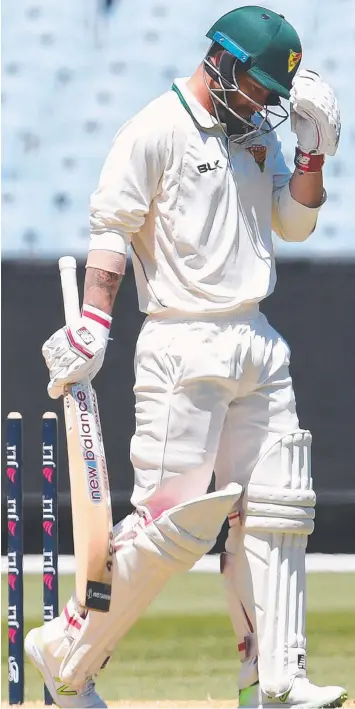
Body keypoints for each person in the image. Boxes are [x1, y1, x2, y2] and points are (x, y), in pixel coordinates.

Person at [25, 6, 345, 708]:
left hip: (256, 337)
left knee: (277, 505)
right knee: (171, 529)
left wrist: (314, 155)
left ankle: (276, 679)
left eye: (272, 92)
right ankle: (65, 652)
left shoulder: (257, 132)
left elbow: (294, 222)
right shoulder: (152, 129)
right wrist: (93, 324)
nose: (264, 102)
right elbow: (112, 230)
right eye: (257, 85)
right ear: (222, 62)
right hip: (181, 340)